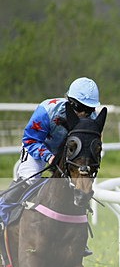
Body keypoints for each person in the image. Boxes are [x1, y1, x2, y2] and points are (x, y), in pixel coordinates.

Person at [10, 77, 101, 255]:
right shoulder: (47, 110)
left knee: (78, 188)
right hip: (38, 146)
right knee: (29, 180)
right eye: (81, 108)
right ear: (70, 102)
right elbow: (30, 139)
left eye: (89, 110)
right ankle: (4, 214)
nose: (84, 114)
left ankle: (78, 239)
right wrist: (48, 157)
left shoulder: (93, 119)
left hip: (68, 155)